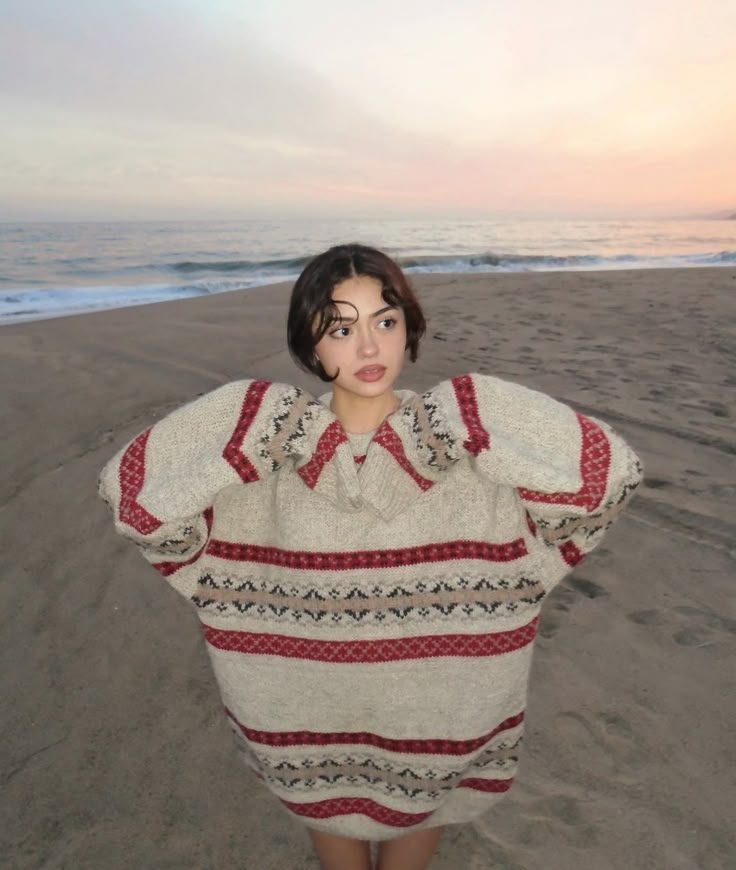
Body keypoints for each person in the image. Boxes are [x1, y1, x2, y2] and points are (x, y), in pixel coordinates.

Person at [98, 243, 643, 870]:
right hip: (309, 730)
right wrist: (257, 417)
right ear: (309, 346)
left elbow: (609, 480)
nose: (367, 348)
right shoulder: (263, 462)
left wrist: (472, 408)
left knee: (425, 809)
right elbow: (135, 502)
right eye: (340, 328)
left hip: (438, 730)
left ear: (409, 327)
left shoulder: (466, 447)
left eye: (385, 321)